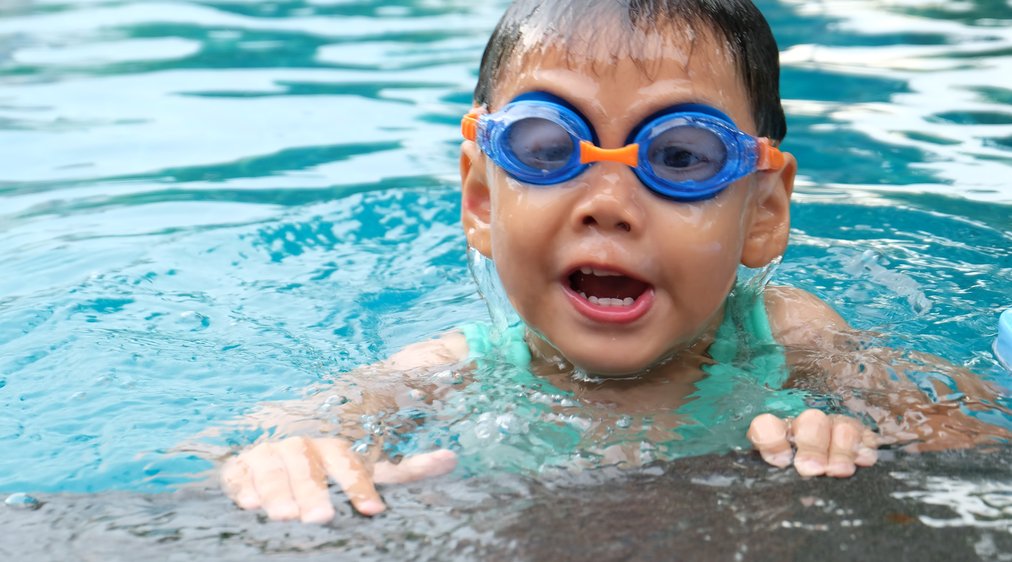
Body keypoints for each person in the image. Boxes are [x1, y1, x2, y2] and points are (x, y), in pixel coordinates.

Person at [218, 0, 1007, 524]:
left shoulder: (789, 337)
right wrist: (286, 456)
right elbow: (288, 430)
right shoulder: (454, 367)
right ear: (483, 199)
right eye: (546, 148)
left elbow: (968, 437)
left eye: (682, 155)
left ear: (762, 215)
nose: (608, 202)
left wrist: (858, 443)